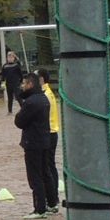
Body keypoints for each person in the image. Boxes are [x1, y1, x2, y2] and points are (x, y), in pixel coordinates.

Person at [14, 74, 57, 218]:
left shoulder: (32, 102)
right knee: (46, 173)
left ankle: (39, 208)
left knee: (35, 176)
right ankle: (52, 203)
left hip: (33, 142)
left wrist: (22, 101)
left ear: (30, 84)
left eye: (24, 84)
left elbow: (19, 121)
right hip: (45, 140)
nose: (22, 86)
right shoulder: (43, 98)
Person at [40, 68, 62, 201]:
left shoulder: (46, 94)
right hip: (51, 132)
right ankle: (53, 195)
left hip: (50, 132)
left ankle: (53, 196)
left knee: (49, 166)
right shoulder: (47, 92)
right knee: (50, 165)